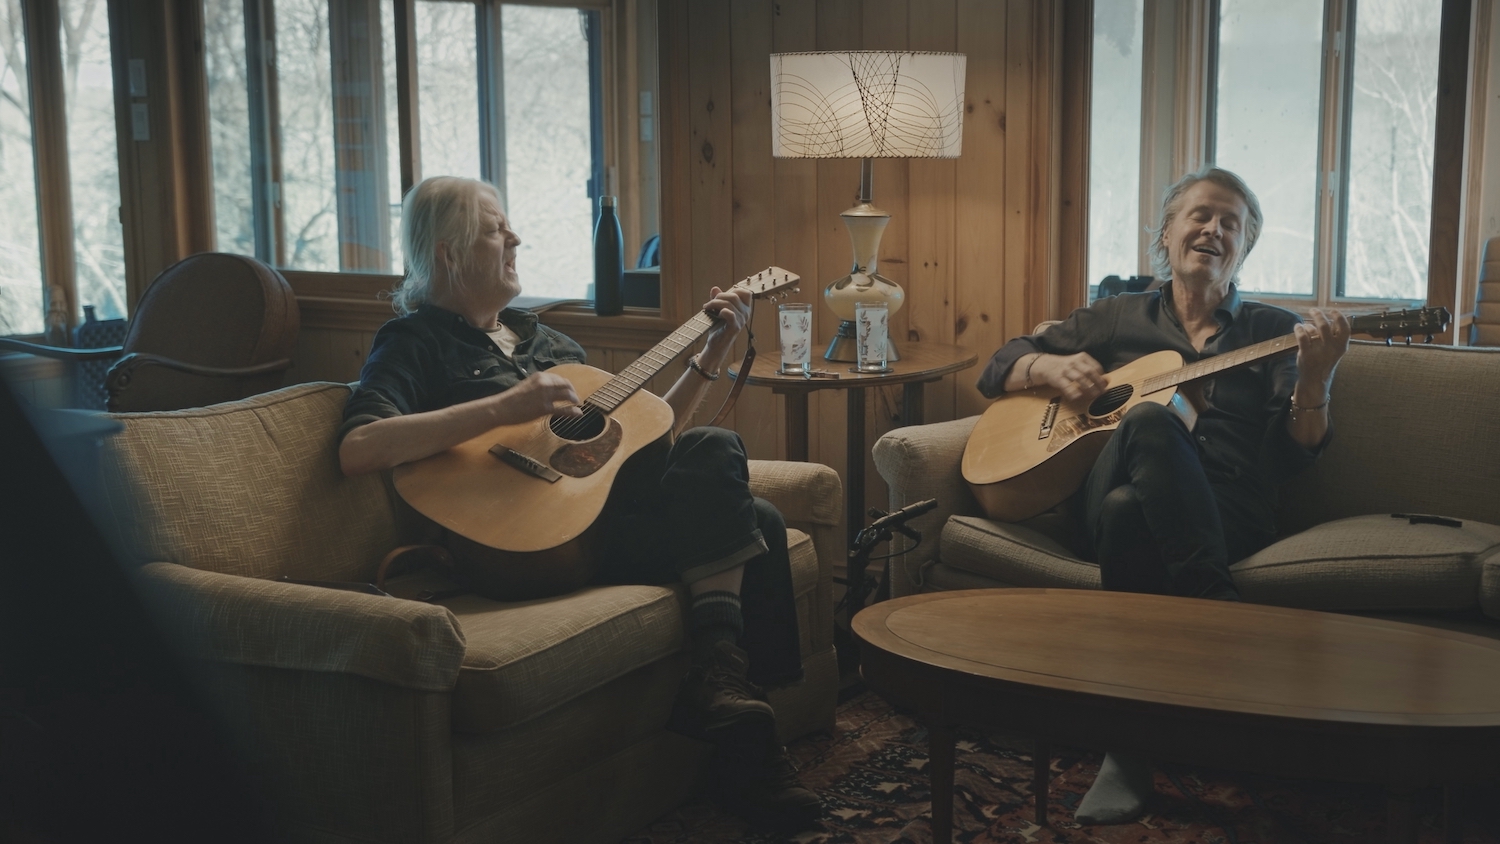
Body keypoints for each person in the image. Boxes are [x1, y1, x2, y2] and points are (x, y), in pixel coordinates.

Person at [337, 175, 820, 831]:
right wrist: (503, 408)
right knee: (752, 524)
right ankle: (739, 728)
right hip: (510, 546)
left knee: (718, 459)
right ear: (447, 251)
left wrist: (713, 347)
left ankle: (725, 694)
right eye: (494, 227)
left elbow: (639, 438)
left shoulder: (547, 344)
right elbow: (359, 447)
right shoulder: (413, 342)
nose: (515, 237)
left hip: (590, 523)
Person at [975, 166, 1351, 824]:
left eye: (1231, 223)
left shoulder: (1273, 329)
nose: (1213, 229)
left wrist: (1315, 382)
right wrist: (1051, 367)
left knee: (1129, 512)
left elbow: (1295, 458)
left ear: (1245, 247)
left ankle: (1128, 748)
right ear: (1167, 234)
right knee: (1150, 419)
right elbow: (999, 364)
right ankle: (1227, 629)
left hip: (1227, 511)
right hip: (1102, 487)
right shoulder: (1121, 315)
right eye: (1201, 215)